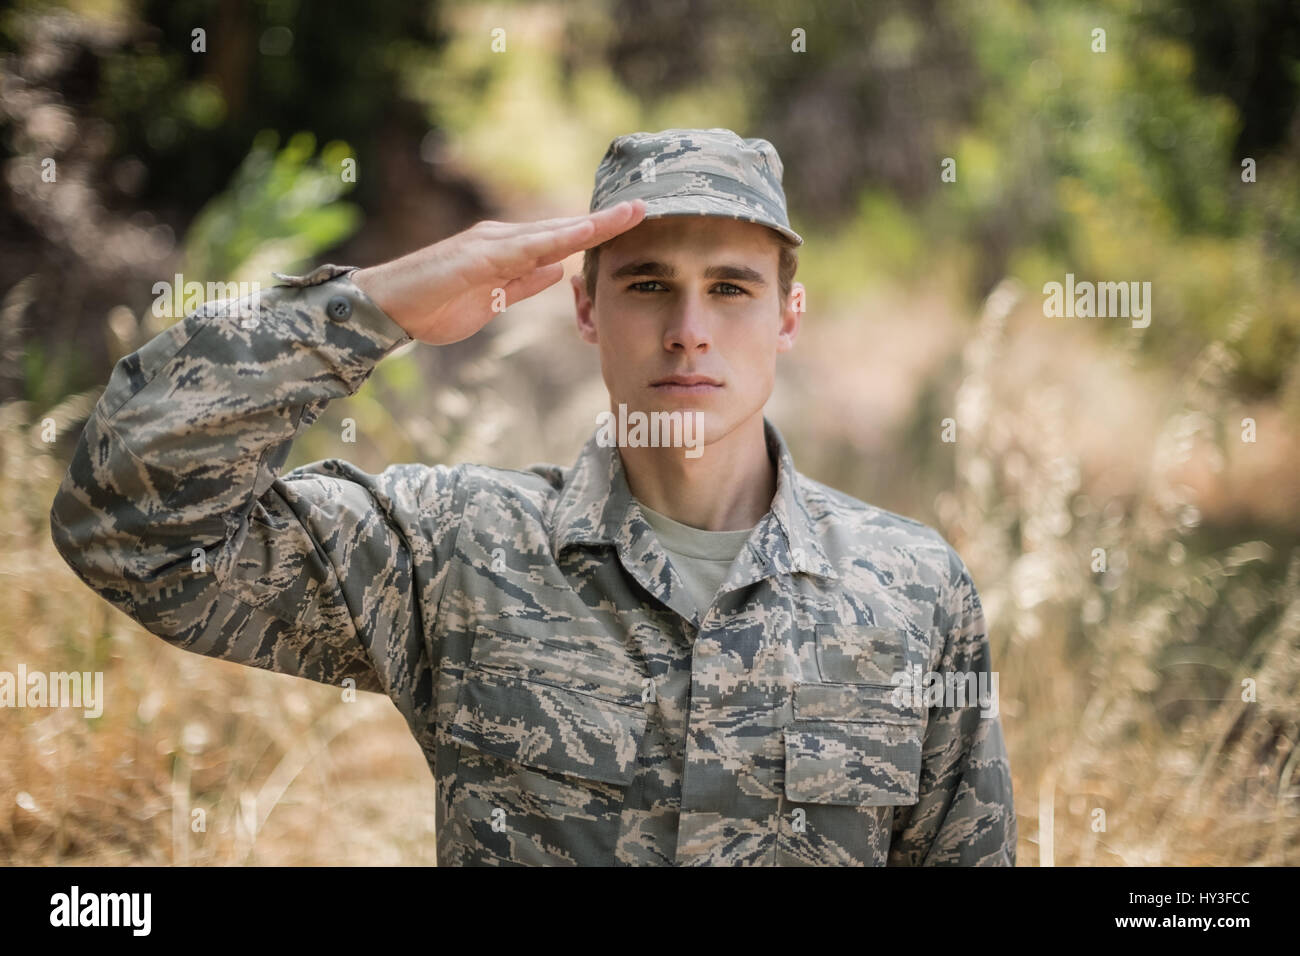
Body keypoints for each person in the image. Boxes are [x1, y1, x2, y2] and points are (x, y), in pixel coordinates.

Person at [50, 127, 1015, 866]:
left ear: (786, 317)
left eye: (730, 289)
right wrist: (374, 306)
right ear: (586, 308)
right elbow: (132, 525)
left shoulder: (910, 588)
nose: (688, 330)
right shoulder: (456, 549)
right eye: (647, 285)